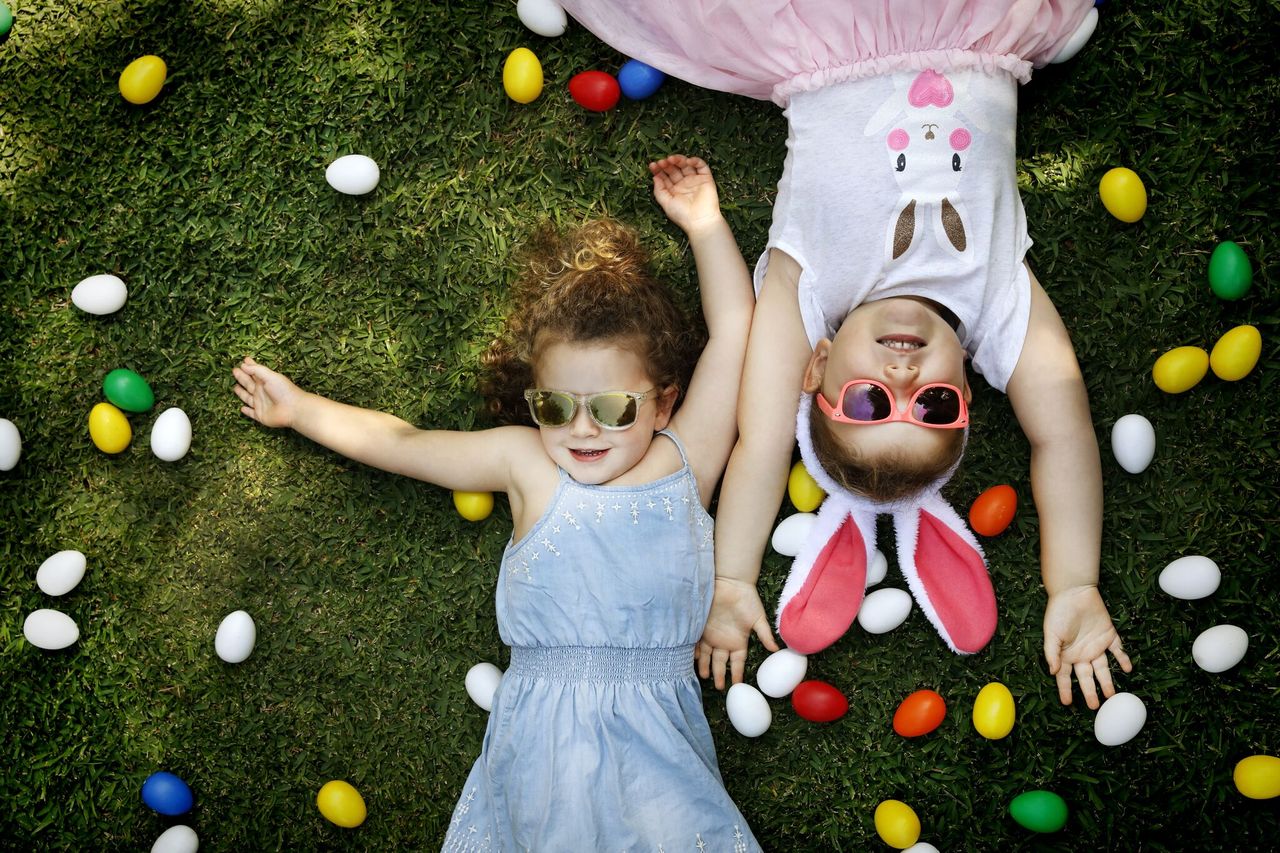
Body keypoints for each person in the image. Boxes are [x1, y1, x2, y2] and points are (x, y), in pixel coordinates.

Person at [557, 0, 1133, 710]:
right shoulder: (995, 300)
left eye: (867, 402)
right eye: (934, 405)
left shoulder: (807, 297)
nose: (903, 377)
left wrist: (733, 578)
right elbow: (1063, 434)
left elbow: (763, 446)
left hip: (829, 28)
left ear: (817, 368)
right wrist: (1075, 582)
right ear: (968, 392)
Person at [232, 155, 762, 850]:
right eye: (555, 405)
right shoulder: (525, 462)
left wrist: (704, 223)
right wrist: (301, 410)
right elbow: (406, 443)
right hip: (544, 739)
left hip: (657, 735)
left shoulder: (684, 461)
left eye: (610, 407)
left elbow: (734, 329)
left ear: (665, 402)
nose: (581, 428)